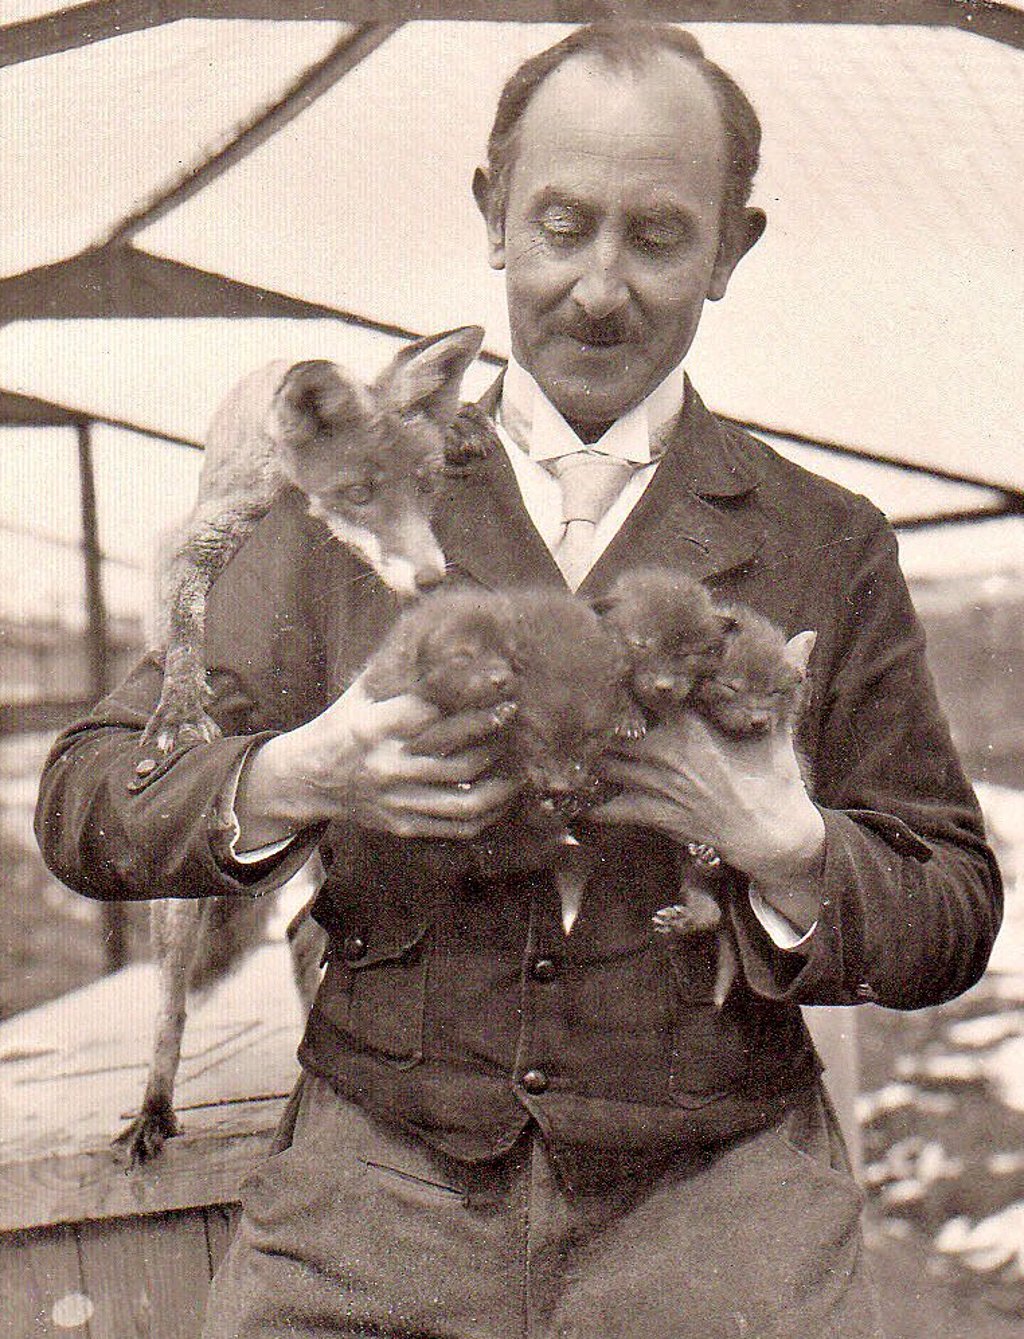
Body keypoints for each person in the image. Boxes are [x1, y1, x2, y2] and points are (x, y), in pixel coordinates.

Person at [35, 23, 1001, 1339]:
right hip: (375, 1209)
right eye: (561, 225)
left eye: (657, 237)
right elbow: (92, 801)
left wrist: (785, 848)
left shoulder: (823, 538)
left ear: (733, 247)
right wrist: (298, 773)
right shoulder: (344, 493)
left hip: (719, 1220)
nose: (600, 289)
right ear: (493, 217)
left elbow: (949, 903)